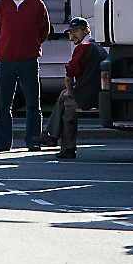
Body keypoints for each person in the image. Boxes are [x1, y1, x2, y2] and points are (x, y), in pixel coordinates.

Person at [0, 0, 50, 152]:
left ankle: (33, 140)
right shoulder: (2, 5)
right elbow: (0, 27)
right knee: (4, 105)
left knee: (33, 103)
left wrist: (31, 46)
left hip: (29, 60)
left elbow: (44, 30)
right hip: (6, 60)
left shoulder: (37, 5)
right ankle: (2, 142)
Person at [39, 17, 102, 160]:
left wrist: (70, 91)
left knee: (69, 108)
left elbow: (69, 77)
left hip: (87, 96)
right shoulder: (96, 45)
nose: (72, 35)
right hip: (95, 93)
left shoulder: (83, 48)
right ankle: (51, 135)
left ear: (86, 30)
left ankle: (67, 148)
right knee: (63, 95)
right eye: (70, 32)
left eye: (76, 31)